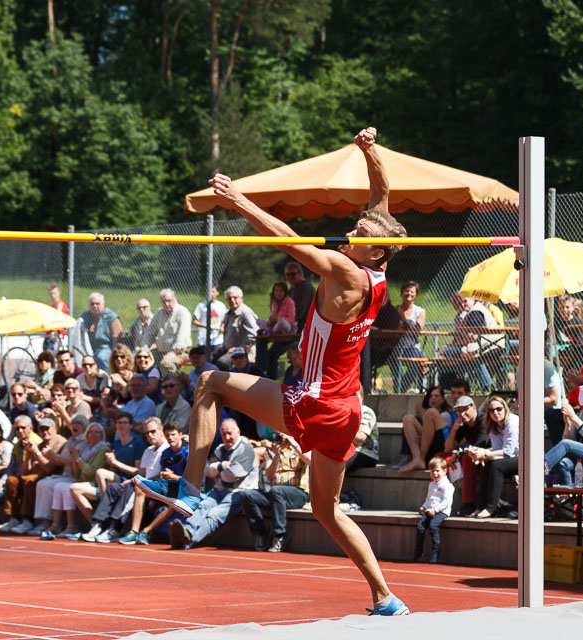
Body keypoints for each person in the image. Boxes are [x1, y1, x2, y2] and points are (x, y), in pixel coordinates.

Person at [133, 127, 410, 616]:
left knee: (212, 381)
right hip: (345, 406)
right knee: (325, 509)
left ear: (376, 251)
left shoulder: (346, 273)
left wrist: (240, 201)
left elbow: (290, 240)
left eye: (361, 233)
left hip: (314, 400)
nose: (353, 230)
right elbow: (382, 200)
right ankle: (386, 598)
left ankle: (193, 495)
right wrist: (371, 152)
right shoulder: (376, 268)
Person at [166, 418, 257, 549]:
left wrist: (217, 471)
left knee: (214, 515)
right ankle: (186, 530)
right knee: (201, 506)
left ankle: (188, 540)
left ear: (238, 432)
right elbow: (207, 471)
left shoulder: (246, 450)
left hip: (239, 493)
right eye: (224, 434)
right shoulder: (220, 449)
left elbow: (231, 476)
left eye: (230, 433)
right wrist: (221, 466)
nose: (227, 437)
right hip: (219, 491)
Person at [79, 416, 170, 543]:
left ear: (161, 431)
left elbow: (162, 475)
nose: (150, 435)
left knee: (130, 488)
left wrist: (137, 481)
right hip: (143, 484)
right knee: (113, 488)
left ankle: (115, 528)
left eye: (153, 431)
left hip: (155, 488)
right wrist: (135, 479)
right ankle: (99, 525)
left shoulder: (167, 449)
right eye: (147, 433)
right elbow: (141, 473)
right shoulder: (148, 450)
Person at [119, 421, 189, 545]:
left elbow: (191, 481)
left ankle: (145, 531)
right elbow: (162, 475)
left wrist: (173, 476)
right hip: (169, 486)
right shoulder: (165, 453)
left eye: (173, 434)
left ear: (180, 434)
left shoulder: (188, 452)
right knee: (140, 488)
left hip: (185, 489)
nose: (170, 438)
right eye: (168, 435)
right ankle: (134, 531)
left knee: (175, 499)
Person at [239, 433, 311, 552]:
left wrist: (293, 443)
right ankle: (261, 533)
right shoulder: (272, 450)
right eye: (277, 435)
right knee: (247, 495)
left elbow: (310, 461)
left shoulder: (300, 447)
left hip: (298, 493)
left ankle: (280, 535)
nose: (279, 439)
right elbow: (268, 475)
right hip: (275, 494)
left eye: (281, 435)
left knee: (276, 490)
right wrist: (276, 455)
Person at [24, 413, 89, 535]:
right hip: (65, 474)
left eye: (78, 424)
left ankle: (53, 522)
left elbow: (75, 460)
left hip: (76, 476)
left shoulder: (85, 441)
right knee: (42, 483)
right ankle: (44, 522)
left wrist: (55, 457)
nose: (74, 426)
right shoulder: (70, 440)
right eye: (73, 423)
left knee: (52, 486)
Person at [0, 416, 56, 535]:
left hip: (45, 476)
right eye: (17, 428)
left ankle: (28, 520)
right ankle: (14, 518)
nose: (20, 431)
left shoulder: (38, 441)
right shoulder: (19, 445)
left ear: (31, 428)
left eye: (23, 428)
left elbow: (48, 468)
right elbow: (24, 471)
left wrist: (36, 451)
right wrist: (28, 454)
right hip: (29, 475)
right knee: (11, 480)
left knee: (29, 481)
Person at [469, 395, 520, 518]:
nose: (496, 412)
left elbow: (508, 451)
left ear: (505, 408)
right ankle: (480, 506)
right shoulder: (493, 426)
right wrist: (480, 452)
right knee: (487, 463)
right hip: (510, 460)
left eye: (499, 409)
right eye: (492, 410)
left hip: (526, 459)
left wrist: (485, 453)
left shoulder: (512, 422)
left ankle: (491, 508)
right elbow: (497, 450)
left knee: (496, 465)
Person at [397, 386, 452, 473]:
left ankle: (420, 458)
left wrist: (423, 414)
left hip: (440, 447)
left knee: (431, 412)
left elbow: (439, 435)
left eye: (436, 396)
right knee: (407, 418)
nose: (433, 398)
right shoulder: (428, 413)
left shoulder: (445, 415)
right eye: (430, 396)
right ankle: (416, 458)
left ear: (442, 399)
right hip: (427, 449)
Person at [412, 457, 454, 563]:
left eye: (437, 471)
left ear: (445, 471)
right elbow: (429, 498)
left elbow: (446, 502)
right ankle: (418, 553)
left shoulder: (447, 486)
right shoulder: (431, 484)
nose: (435, 473)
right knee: (420, 527)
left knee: (433, 527)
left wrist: (435, 510)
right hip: (430, 510)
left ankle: (436, 553)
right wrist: (424, 506)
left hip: (441, 512)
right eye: (432, 471)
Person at [214, 286, 260, 370]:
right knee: (209, 358)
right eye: (229, 298)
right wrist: (222, 348)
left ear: (241, 298)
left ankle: (230, 382)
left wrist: (239, 348)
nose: (232, 300)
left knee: (223, 362)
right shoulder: (228, 314)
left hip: (242, 352)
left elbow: (255, 334)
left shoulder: (245, 313)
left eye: (235, 297)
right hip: (228, 349)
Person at [147, 289, 192, 373]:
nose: (166, 304)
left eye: (169, 301)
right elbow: (150, 332)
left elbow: (182, 336)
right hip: (161, 351)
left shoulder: (182, 312)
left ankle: (174, 383)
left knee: (166, 364)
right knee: (141, 359)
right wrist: (145, 347)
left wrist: (174, 352)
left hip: (180, 351)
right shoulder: (159, 313)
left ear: (174, 299)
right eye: (163, 301)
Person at [394, 281, 427, 393]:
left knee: (419, 359)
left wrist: (404, 320)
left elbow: (417, 331)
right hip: (395, 347)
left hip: (411, 348)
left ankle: (401, 388)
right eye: (406, 291)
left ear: (416, 295)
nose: (409, 294)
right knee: (392, 360)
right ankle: (397, 386)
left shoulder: (420, 311)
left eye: (412, 292)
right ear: (402, 293)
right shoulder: (395, 310)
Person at [227, 347, 266, 439]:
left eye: (241, 357)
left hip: (256, 403)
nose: (238, 360)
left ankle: (252, 438)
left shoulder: (256, 371)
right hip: (238, 403)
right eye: (235, 358)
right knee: (232, 412)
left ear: (246, 358)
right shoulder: (231, 373)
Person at [80, 292, 122, 371]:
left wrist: (115, 354)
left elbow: (117, 338)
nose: (95, 306)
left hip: (105, 347)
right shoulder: (85, 316)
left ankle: (106, 377)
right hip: (87, 347)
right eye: (92, 304)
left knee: (100, 357)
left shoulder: (112, 317)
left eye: (97, 303)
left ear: (103, 304)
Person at [345, 389, 379, 473]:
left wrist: (341, 424)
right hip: (347, 451)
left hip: (365, 453)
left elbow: (360, 439)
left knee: (336, 465)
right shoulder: (345, 411)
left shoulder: (366, 411)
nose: (352, 399)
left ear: (362, 397)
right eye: (349, 396)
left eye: (355, 395)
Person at [192, 284, 227, 350]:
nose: (211, 294)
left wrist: (222, 327)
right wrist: (205, 326)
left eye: (213, 291)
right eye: (208, 291)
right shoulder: (201, 305)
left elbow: (225, 320)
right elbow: (194, 321)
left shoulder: (221, 305)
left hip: (217, 341)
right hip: (203, 341)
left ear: (217, 293)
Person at [284, 261, 315, 332]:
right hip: (295, 326)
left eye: (293, 274)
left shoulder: (304, 288)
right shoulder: (292, 288)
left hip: (304, 328)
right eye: (287, 274)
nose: (290, 277)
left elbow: (298, 312)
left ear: (301, 274)